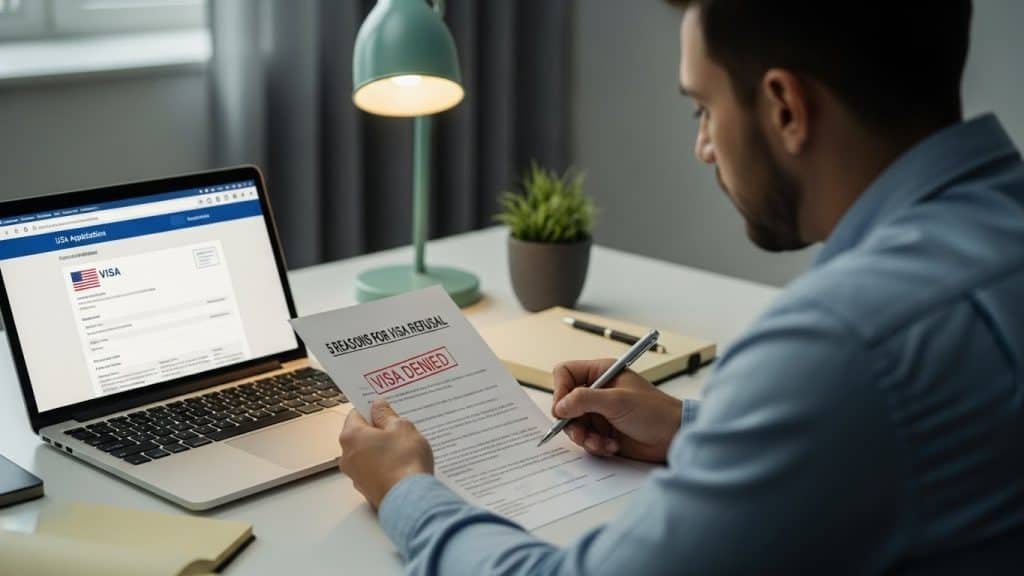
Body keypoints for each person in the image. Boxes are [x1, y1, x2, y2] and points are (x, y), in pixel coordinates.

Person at [337, 0, 1024, 573]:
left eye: (702, 107)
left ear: (785, 107)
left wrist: (405, 490)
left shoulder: (842, 343)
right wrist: (692, 428)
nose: (703, 146)